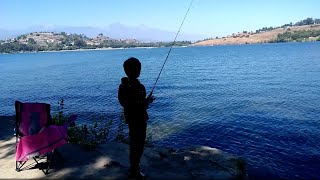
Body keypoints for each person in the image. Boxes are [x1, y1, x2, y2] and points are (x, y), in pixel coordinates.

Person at [118, 57, 155, 179]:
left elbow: (124, 102)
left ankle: (133, 167)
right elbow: (141, 106)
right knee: (138, 145)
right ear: (138, 71)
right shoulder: (140, 87)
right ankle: (134, 170)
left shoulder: (122, 87)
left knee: (133, 143)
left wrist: (141, 102)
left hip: (130, 119)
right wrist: (147, 101)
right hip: (139, 119)